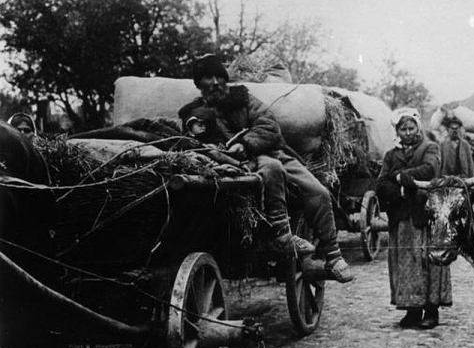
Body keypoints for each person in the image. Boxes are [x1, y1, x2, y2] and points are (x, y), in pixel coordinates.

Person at [179, 54, 353, 283]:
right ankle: (282, 234)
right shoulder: (196, 112)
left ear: (224, 78)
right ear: (198, 83)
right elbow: (195, 143)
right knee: (271, 169)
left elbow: (269, 126)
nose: (214, 83)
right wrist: (222, 151)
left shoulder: (243, 99)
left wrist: (247, 141)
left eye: (218, 76)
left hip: (272, 152)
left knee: (317, 191)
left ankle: (333, 255)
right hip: (236, 163)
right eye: (207, 78)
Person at [376, 108, 452, 329]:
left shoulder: (430, 147)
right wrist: (400, 189)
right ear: (397, 130)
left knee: (429, 259)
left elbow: (430, 169)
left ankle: (431, 310)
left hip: (426, 213)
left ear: (418, 127)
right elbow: (381, 184)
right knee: (406, 262)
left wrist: (400, 176)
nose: (408, 133)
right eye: (403, 129)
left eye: (411, 128)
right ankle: (411, 311)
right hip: (402, 217)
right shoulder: (391, 155)